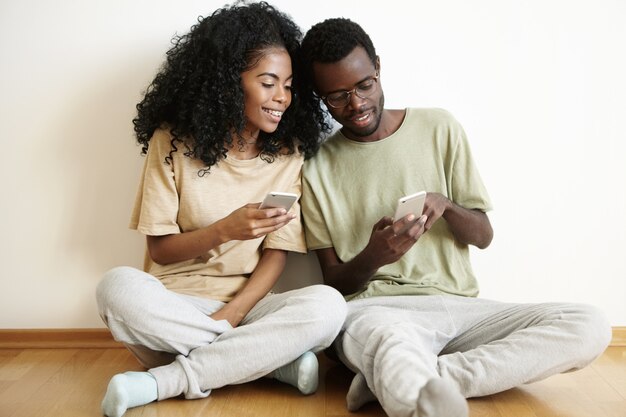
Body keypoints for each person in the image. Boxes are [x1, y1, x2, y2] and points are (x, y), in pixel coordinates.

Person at [299, 17, 612, 417]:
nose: (356, 104)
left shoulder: (439, 127)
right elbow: (334, 282)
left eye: (364, 86)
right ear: (319, 96)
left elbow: (483, 236)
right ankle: (413, 389)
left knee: (588, 325)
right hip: (377, 311)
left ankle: (423, 378)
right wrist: (375, 255)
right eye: (337, 96)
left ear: (378, 67)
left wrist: (445, 204)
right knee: (391, 345)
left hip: (461, 308)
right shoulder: (316, 167)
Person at [95, 3, 346, 417]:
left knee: (328, 305)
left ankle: (165, 380)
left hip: (249, 307)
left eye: (288, 84)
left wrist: (235, 312)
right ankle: (268, 363)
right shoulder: (171, 142)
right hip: (174, 305)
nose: (282, 97)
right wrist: (225, 230)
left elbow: (276, 254)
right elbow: (160, 251)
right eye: (268, 83)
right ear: (230, 82)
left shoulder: (287, 154)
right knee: (115, 288)